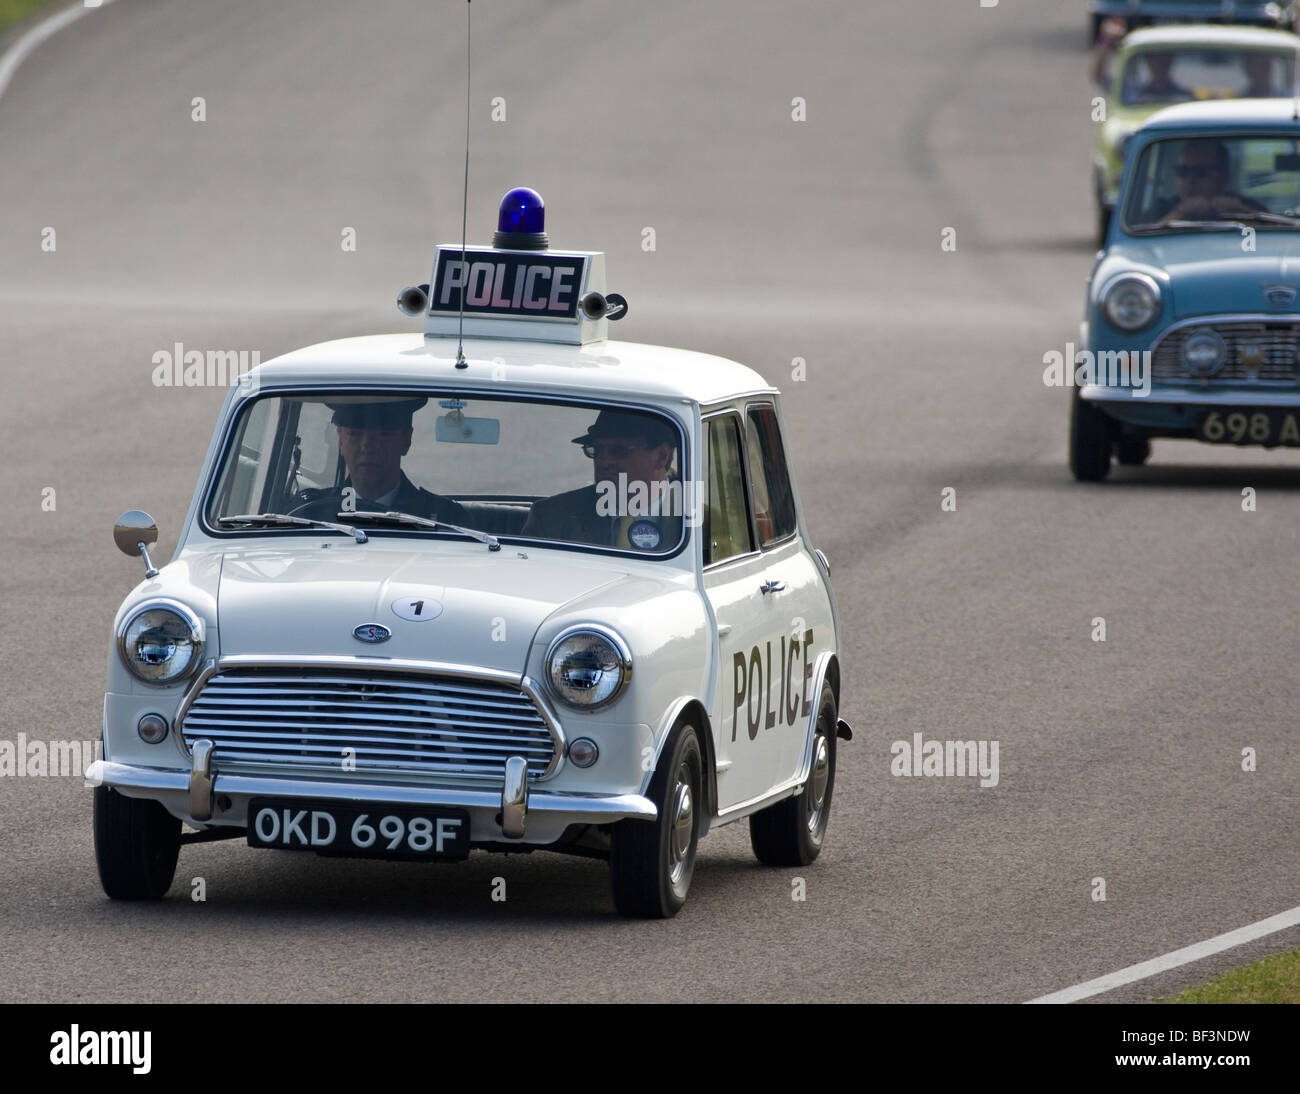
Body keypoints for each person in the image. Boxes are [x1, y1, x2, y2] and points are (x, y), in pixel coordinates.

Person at [292, 397, 472, 524]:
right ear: (340, 440)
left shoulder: (444, 519)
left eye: (382, 436)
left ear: (405, 440)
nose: (367, 447)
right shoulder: (310, 513)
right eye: (355, 435)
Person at [521, 409, 682, 549]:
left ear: (661, 456)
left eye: (619, 450)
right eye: (597, 450)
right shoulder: (552, 518)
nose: (604, 461)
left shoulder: (699, 523)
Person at [1157, 139, 1264, 224]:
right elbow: (1144, 235)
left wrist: (1241, 213)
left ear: (1223, 177)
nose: (1189, 180)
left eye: (1200, 172)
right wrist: (1180, 213)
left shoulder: (1244, 206)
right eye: (1183, 171)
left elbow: (1274, 230)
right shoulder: (1160, 209)